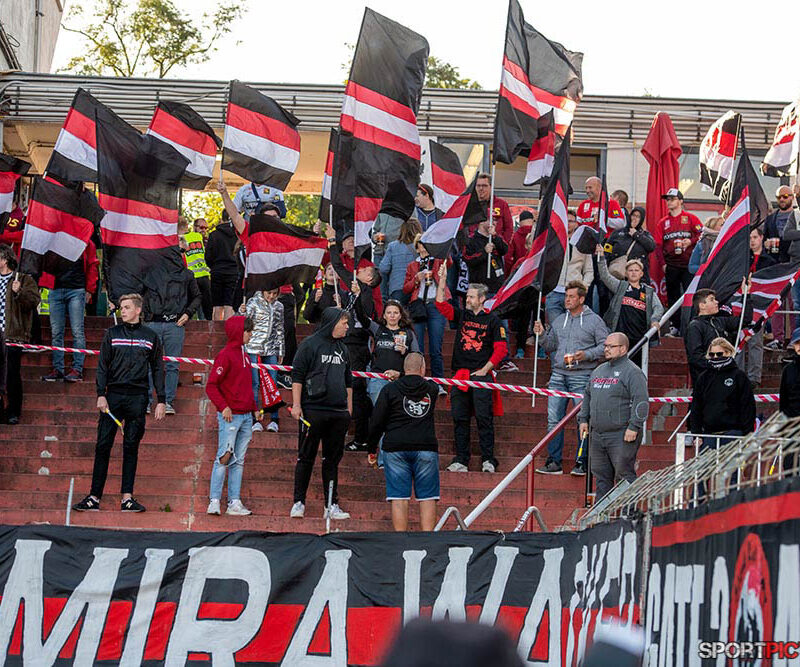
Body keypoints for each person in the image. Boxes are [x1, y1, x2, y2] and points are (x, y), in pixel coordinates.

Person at [72, 293, 165, 513]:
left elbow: (158, 369)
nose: (122, 311)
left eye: (126, 307)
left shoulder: (150, 336)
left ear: (138, 310)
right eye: (121, 307)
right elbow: (102, 365)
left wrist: (161, 399)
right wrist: (100, 394)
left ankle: (127, 498)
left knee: (131, 447)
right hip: (112, 396)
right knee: (102, 446)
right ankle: (94, 497)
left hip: (138, 398)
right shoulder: (111, 334)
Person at [435, 266, 508, 473]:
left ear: (482, 298)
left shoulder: (493, 320)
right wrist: (442, 281)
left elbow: (501, 348)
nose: (467, 300)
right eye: (467, 296)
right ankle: (461, 459)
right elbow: (441, 305)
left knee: (484, 418)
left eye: (471, 297)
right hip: (460, 375)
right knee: (459, 418)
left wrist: (485, 369)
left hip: (481, 376)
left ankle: (488, 460)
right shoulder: (463, 315)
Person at [534, 280, 609, 476]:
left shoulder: (595, 321)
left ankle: (582, 462)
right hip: (558, 374)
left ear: (582, 299)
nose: (567, 300)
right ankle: (553, 462)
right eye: (566, 297)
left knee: (583, 420)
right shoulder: (559, 320)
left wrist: (586, 355)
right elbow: (550, 346)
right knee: (553, 420)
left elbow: (605, 346)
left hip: (583, 375)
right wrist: (541, 335)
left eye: (571, 297)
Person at [290, 307, 352, 521]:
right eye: (344, 322)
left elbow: (349, 381)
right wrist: (296, 405)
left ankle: (331, 504)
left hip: (338, 413)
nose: (347, 326)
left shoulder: (344, 348)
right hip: (312, 410)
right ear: (332, 322)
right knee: (305, 457)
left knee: (331, 460)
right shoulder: (310, 344)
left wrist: (348, 409)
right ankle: (299, 502)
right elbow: (297, 376)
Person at [367, 352, 439, 531]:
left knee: (399, 497)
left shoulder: (390, 389)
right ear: (423, 368)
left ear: (404, 369)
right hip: (426, 447)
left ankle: (401, 540)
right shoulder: (432, 389)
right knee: (428, 497)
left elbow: (376, 422)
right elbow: (427, 383)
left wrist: (371, 448)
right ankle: (428, 540)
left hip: (395, 447)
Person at [325, 227, 383, 451]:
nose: (359, 269)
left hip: (357, 346)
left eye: (364, 269)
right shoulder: (353, 286)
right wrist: (332, 241)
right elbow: (338, 267)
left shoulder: (366, 293)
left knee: (357, 390)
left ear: (369, 277)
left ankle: (362, 437)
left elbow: (364, 317)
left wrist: (358, 296)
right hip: (343, 343)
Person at [578, 333, 649, 500]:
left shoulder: (633, 372)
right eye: (605, 346)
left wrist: (634, 426)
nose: (606, 349)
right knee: (601, 477)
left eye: (611, 346)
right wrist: (583, 419)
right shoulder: (599, 370)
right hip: (598, 434)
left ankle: (629, 515)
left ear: (623, 349)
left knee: (624, 475)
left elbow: (641, 401)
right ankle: (602, 518)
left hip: (621, 433)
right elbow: (588, 395)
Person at [689, 337, 755, 468]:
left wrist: (747, 434)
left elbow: (748, 407)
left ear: (728, 352)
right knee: (701, 473)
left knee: (733, 475)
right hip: (709, 434)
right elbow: (696, 407)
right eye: (712, 354)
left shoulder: (739, 376)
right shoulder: (704, 378)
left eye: (719, 354)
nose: (715, 357)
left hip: (733, 433)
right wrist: (696, 433)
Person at [142, 266, 201, 415]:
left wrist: (188, 313)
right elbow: (138, 291)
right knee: (149, 364)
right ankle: (146, 401)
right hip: (152, 323)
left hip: (175, 324)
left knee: (172, 365)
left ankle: (168, 401)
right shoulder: (150, 271)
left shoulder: (187, 274)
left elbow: (197, 296)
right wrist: (145, 314)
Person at [40, 240, 98, 383]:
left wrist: (90, 289)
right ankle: (57, 369)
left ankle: (77, 369)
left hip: (76, 289)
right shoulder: (53, 239)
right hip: (55, 289)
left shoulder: (86, 241)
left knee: (77, 331)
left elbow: (92, 265)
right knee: (56, 332)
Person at [596, 247, 663, 367]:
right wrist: (601, 257)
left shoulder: (648, 291)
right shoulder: (620, 286)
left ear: (642, 273)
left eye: (636, 270)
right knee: (617, 367)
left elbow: (658, 308)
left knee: (636, 368)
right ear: (626, 273)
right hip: (619, 337)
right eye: (630, 270)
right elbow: (605, 276)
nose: (633, 272)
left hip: (639, 337)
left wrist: (654, 320)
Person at [354, 291, 419, 411]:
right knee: (380, 413)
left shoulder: (409, 334)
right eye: (389, 313)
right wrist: (357, 296)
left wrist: (407, 352)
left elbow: (418, 359)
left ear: (400, 315)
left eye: (395, 313)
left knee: (396, 414)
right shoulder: (378, 329)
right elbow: (361, 317)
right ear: (384, 315)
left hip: (400, 380)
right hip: (378, 378)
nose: (392, 315)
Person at [652, 188, 703, 336]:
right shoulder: (663, 222)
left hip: (689, 265)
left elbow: (702, 235)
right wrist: (663, 264)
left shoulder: (691, 218)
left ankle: (691, 324)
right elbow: (658, 246)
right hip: (671, 264)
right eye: (667, 199)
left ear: (681, 201)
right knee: (673, 296)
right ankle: (675, 326)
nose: (669, 202)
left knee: (691, 295)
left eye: (672, 199)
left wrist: (690, 241)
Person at [0, 245, 39, 425]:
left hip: (12, 333)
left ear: (5, 259)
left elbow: (33, 302)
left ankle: (14, 411)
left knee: (11, 374)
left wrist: (19, 292)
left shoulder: (22, 279)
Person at [403, 235, 448, 388]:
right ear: (417, 247)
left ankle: (438, 382)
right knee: (418, 347)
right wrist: (416, 278)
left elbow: (449, 263)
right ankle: (418, 381)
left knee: (436, 347)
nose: (424, 246)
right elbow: (406, 289)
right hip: (418, 305)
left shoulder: (438, 261)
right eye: (422, 244)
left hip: (435, 305)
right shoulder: (412, 265)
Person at [684, 284, 751, 386]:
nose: (717, 302)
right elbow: (695, 357)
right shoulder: (695, 327)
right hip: (706, 383)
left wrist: (746, 294)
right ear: (702, 305)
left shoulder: (720, 321)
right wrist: (718, 363)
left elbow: (744, 320)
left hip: (724, 380)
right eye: (712, 300)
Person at [736, 227, 775, 387]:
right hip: (742, 302)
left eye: (755, 237)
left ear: (761, 238)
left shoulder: (769, 260)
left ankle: (753, 377)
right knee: (739, 338)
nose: (752, 240)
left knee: (755, 341)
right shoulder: (742, 259)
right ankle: (737, 373)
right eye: (750, 238)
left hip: (759, 304)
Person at [245, 287, 284, 433]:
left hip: (271, 348)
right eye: (269, 293)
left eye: (275, 294)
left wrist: (281, 350)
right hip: (253, 348)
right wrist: (241, 311)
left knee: (272, 383)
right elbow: (244, 324)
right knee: (254, 383)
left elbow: (280, 329)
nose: (271, 296)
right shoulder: (253, 302)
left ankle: (274, 419)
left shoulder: (279, 306)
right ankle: (254, 419)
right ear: (262, 291)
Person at [546, 210, 593, 325]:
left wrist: (584, 286)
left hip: (575, 292)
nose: (568, 223)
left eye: (571, 221)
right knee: (555, 328)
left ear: (576, 223)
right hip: (555, 291)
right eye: (565, 221)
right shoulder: (552, 241)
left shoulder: (583, 243)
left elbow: (589, 270)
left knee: (573, 327)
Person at [765, 185, 800, 329]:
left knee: (794, 303)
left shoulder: (795, 213)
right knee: (779, 301)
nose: (782, 199)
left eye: (786, 196)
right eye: (779, 197)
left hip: (791, 260)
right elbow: (784, 235)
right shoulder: (773, 218)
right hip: (778, 262)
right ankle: (785, 338)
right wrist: (765, 243)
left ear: (792, 197)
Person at [604, 206, 655, 283]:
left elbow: (651, 247)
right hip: (618, 275)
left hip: (638, 279)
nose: (634, 218)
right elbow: (607, 251)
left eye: (638, 216)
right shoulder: (617, 233)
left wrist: (636, 235)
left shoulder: (645, 235)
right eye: (633, 215)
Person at [205, 208, 240, 321]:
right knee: (229, 304)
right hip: (233, 272)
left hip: (217, 272)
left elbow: (208, 257)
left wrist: (214, 266)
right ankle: (227, 333)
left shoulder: (214, 235)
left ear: (222, 219)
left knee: (217, 305)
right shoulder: (239, 235)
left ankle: (216, 335)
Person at [380, 217, 421, 304]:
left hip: (397, 287)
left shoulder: (393, 246)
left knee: (398, 315)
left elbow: (384, 268)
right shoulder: (422, 246)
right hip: (417, 287)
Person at [463, 217, 508, 295]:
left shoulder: (496, 238)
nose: (494, 223)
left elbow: (504, 250)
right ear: (482, 222)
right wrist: (484, 252)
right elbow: (468, 260)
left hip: (497, 286)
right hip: (479, 288)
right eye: (491, 220)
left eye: (495, 220)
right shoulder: (471, 240)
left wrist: (494, 236)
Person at [184, 218, 212, 320]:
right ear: (194, 227)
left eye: (206, 228)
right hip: (191, 277)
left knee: (206, 307)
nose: (203, 230)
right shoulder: (186, 238)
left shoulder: (208, 241)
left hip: (204, 276)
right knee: (190, 306)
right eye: (201, 227)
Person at [474, 172, 513, 242]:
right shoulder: (471, 205)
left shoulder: (501, 204)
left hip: (495, 248)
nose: (481, 188)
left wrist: (501, 245)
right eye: (478, 185)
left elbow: (508, 228)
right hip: (475, 248)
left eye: (484, 186)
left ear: (491, 187)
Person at [505, 209, 536, 274]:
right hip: (534, 270)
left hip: (518, 270)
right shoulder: (537, 235)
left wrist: (508, 274)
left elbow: (508, 258)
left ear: (519, 222)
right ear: (532, 221)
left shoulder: (514, 237)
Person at [779, 328, 800, 418]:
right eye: (797, 343)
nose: (799, 346)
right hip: (792, 422)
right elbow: (784, 400)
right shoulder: (788, 370)